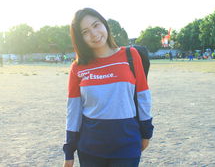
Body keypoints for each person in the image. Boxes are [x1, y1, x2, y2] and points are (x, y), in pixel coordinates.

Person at [63, 8, 154, 167]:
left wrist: (146, 133)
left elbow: (143, 96)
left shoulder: (131, 55)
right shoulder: (77, 67)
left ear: (104, 24)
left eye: (96, 25)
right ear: (80, 38)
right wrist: (69, 150)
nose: (94, 33)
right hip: (91, 149)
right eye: (85, 32)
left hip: (127, 145)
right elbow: (73, 110)